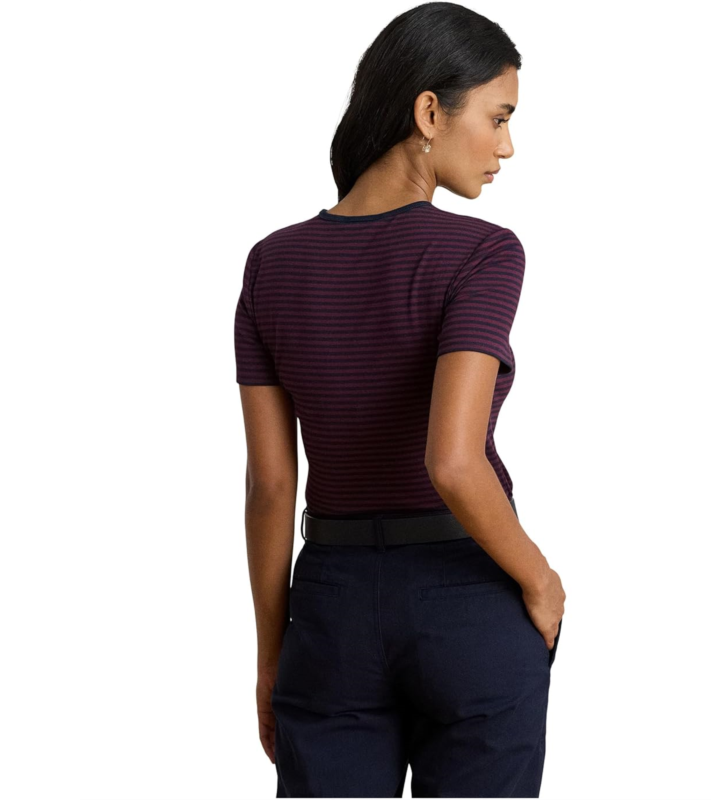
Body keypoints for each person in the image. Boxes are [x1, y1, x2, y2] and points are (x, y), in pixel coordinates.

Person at [234, 3, 566, 796]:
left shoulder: (271, 264)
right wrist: (542, 580)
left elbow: (272, 485)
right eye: (498, 117)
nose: (507, 146)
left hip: (331, 608)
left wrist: (273, 653)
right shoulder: (482, 253)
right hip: (467, 596)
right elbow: (452, 462)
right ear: (428, 112)